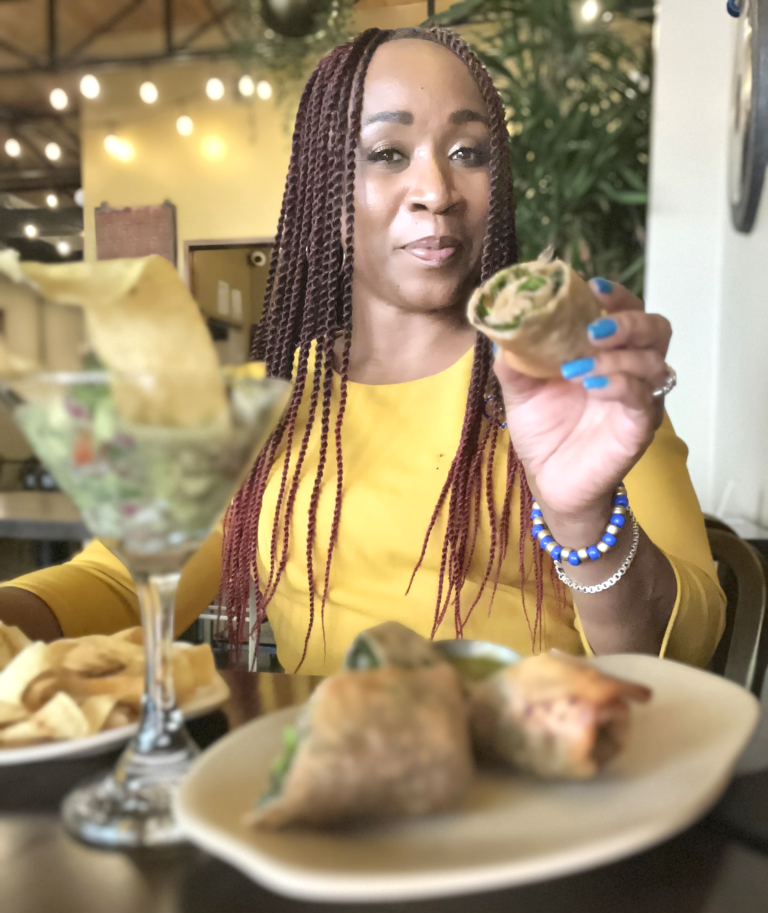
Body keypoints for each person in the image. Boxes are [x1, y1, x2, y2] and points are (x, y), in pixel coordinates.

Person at [0, 27, 723, 674]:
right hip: (326, 765)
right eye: (387, 154)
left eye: (467, 153)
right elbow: (116, 581)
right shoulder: (262, 402)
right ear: (328, 188)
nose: (436, 190)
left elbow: (682, 654)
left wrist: (585, 520)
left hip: (536, 767)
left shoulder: (570, 385)